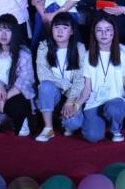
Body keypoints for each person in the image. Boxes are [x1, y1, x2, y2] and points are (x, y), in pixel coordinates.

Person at [80, 14, 125, 142]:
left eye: (108, 29)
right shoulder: (87, 55)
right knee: (92, 136)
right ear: (94, 33)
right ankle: (103, 121)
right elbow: (87, 87)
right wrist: (76, 104)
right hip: (95, 101)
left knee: (113, 109)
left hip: (116, 99)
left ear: (114, 32)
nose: (104, 34)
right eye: (99, 30)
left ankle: (115, 128)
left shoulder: (123, 51)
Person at [34, 12, 87, 142]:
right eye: (56, 27)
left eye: (64, 27)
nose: (60, 31)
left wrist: (69, 101)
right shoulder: (44, 47)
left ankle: (64, 120)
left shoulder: (79, 48)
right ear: (51, 29)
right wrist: (65, 85)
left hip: (73, 96)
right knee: (45, 86)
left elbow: (80, 79)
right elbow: (43, 75)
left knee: (74, 123)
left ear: (72, 31)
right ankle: (48, 128)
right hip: (54, 94)